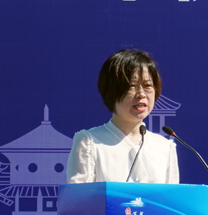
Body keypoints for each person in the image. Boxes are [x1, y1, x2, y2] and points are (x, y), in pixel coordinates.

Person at [66, 49, 179, 184]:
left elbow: (172, 196)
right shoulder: (90, 142)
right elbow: (79, 196)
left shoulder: (164, 147)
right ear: (111, 92)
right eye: (132, 86)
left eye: (147, 85)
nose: (141, 94)